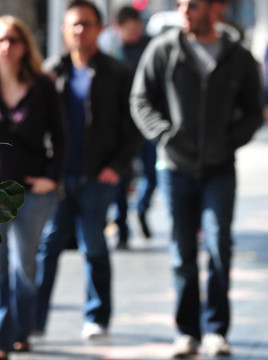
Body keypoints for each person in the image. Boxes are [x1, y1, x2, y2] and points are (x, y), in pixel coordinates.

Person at [131, 0, 263, 356]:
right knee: (182, 252)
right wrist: (166, 134)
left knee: (219, 245)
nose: (184, 10)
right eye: (180, 4)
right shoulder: (164, 49)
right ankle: (186, 331)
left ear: (215, 9)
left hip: (220, 168)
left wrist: (229, 141)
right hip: (175, 168)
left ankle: (217, 329)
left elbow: (254, 111)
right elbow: (141, 100)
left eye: (193, 5)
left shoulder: (238, 56)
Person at [34, 0, 142, 341]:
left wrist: (118, 166)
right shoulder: (51, 71)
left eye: (86, 24)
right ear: (65, 30)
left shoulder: (117, 72)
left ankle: (97, 317)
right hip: (60, 178)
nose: (80, 30)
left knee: (93, 244)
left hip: (98, 176)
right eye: (74, 25)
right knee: (48, 246)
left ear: (99, 29)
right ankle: (34, 320)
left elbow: (137, 124)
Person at [0, 15, 67, 360]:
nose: (6, 46)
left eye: (13, 39)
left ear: (25, 45)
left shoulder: (43, 85)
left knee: (24, 267)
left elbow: (61, 137)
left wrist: (52, 178)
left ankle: (21, 330)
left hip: (32, 191)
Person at [109, 6, 154, 249]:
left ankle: (142, 209)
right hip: (122, 126)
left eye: (137, 28)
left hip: (147, 123)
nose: (135, 33)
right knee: (121, 178)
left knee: (152, 174)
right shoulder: (112, 52)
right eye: (130, 30)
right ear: (119, 28)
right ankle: (122, 227)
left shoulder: (150, 47)